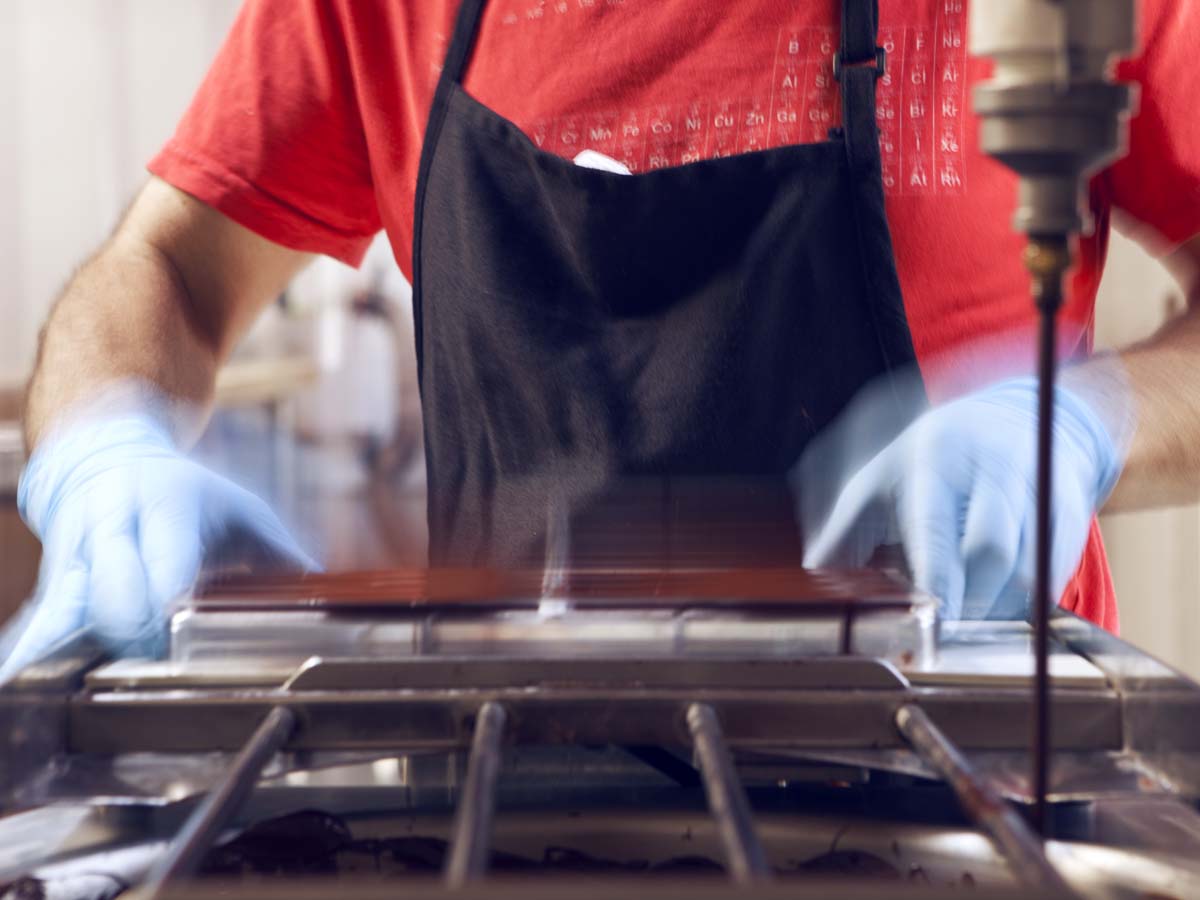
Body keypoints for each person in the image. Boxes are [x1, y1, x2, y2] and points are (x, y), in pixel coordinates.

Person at [4, 0, 1200, 675]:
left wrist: (1077, 427)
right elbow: (165, 268)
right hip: (510, 791)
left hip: (970, 794)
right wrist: (104, 448)